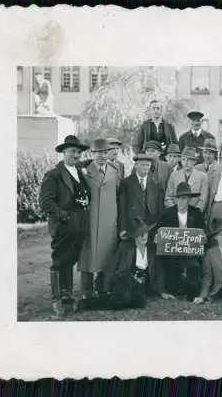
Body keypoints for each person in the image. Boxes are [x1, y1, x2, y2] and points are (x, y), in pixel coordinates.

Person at [39, 135, 91, 317]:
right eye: (71, 151)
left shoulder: (80, 171)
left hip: (80, 223)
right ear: (63, 153)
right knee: (59, 260)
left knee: (71, 258)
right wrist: (64, 216)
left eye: (78, 152)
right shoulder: (53, 175)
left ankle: (68, 295)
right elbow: (46, 203)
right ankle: (57, 299)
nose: (75, 155)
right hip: (64, 224)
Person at [77, 139, 120, 308]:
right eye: (98, 153)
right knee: (87, 253)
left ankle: (102, 287)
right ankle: (86, 290)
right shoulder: (84, 171)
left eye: (104, 152)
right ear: (92, 154)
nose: (102, 156)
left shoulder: (114, 170)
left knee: (107, 254)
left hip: (109, 219)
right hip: (91, 218)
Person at [95, 218, 172, 310]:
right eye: (140, 234)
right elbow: (111, 267)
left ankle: (118, 302)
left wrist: (162, 291)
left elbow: (158, 271)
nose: (144, 237)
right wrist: (106, 289)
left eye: (145, 233)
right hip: (125, 281)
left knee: (140, 302)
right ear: (134, 236)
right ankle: (89, 303)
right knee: (123, 298)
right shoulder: (125, 248)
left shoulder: (151, 249)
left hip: (142, 286)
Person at [159, 182, 206, 300]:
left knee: (194, 269)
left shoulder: (196, 213)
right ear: (176, 199)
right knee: (172, 281)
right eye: (179, 198)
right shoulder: (167, 213)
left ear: (189, 200)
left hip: (190, 252)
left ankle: (192, 290)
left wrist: (203, 238)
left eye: (184, 198)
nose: (181, 201)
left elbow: (203, 232)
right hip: (172, 252)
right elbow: (160, 233)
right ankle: (175, 287)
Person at [118, 153, 165, 243]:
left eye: (147, 165)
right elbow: (122, 207)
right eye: (142, 165)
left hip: (151, 226)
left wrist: (158, 230)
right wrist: (123, 228)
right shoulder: (126, 183)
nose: (145, 167)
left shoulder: (157, 184)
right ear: (136, 165)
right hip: (132, 226)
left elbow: (160, 209)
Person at [165, 147, 208, 213]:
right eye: (183, 159)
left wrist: (194, 213)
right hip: (176, 214)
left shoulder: (203, 177)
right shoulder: (173, 175)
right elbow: (168, 197)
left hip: (194, 215)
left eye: (189, 160)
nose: (185, 162)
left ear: (194, 161)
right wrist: (174, 211)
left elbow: (203, 200)